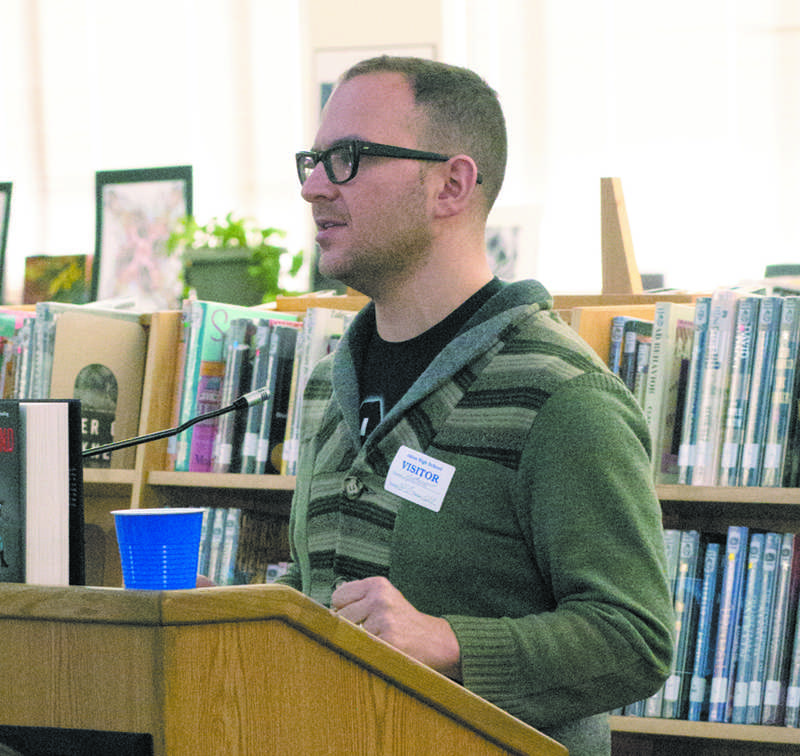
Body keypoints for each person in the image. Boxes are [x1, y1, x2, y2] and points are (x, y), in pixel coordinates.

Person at [280, 55, 673, 755]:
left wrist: (449, 641)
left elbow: (634, 639)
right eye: (313, 159)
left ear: (451, 185)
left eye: (348, 159)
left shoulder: (561, 395)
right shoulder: (323, 388)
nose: (313, 187)